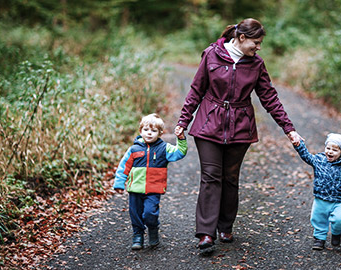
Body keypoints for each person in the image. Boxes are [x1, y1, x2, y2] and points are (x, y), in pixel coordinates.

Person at [174, 18, 303, 253]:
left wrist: (289, 129)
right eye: (256, 42)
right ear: (241, 38)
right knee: (211, 176)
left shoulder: (256, 64)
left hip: (240, 127)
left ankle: (225, 226)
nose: (259, 47)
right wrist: (184, 120)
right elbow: (196, 89)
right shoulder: (211, 55)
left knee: (230, 178)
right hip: (208, 124)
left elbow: (270, 98)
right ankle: (205, 233)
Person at [113, 113, 187, 250]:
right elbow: (124, 167)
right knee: (135, 214)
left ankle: (153, 229)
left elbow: (180, 153)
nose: (149, 133)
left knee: (150, 213)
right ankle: (138, 235)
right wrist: (119, 183)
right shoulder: (134, 149)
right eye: (146, 130)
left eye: (153, 131)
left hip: (154, 189)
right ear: (140, 131)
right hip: (135, 189)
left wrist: (181, 139)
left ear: (160, 133)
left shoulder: (164, 149)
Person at [293, 133, 341, 250]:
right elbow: (306, 156)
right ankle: (319, 238)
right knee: (318, 218)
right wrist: (299, 144)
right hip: (321, 198)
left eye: (335, 150)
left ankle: (336, 233)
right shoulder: (319, 160)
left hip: (338, 200)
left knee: (339, 219)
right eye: (328, 148)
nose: (330, 152)